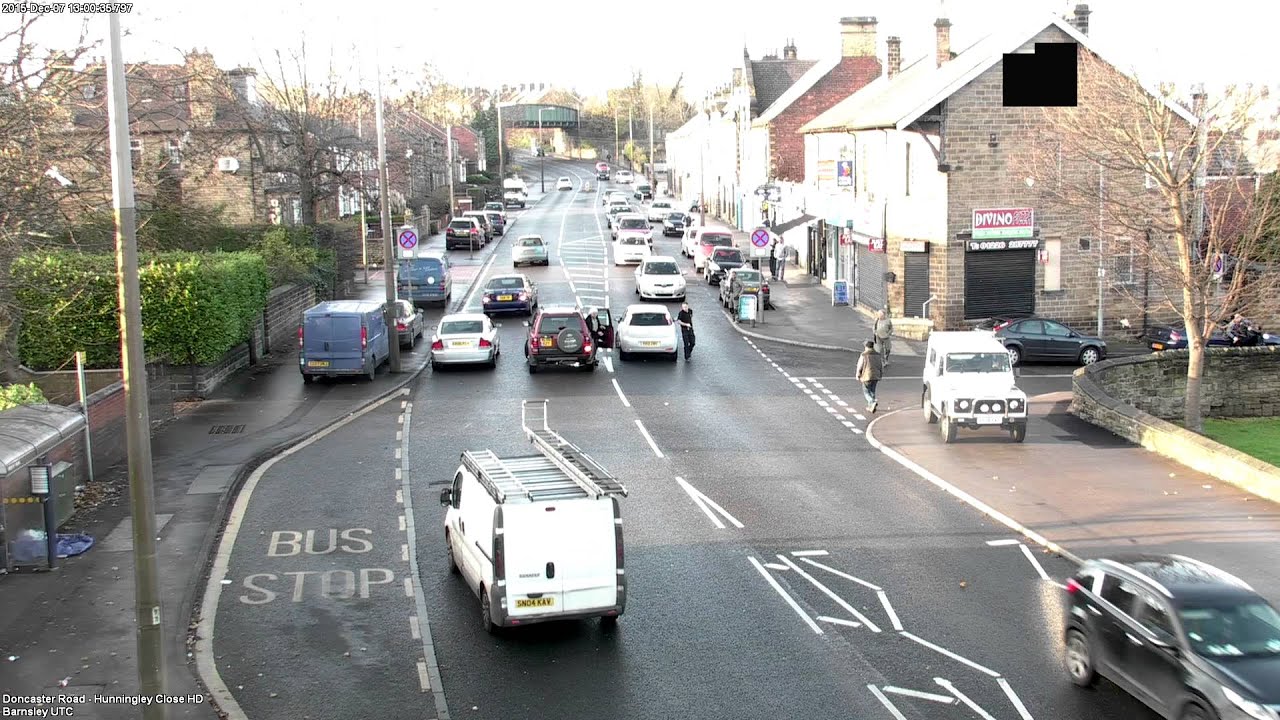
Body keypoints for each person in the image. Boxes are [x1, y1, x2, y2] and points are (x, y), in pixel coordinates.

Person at [856, 340, 883, 413]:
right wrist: (880, 374)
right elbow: (880, 365)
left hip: (867, 375)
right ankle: (870, 406)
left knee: (866, 391)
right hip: (876, 375)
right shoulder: (878, 355)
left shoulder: (864, 355)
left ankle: (872, 401)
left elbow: (860, 366)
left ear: (866, 347)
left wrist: (858, 374)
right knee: (872, 390)